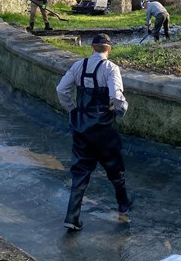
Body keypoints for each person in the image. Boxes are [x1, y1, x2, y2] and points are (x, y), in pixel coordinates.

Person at [56, 33, 132, 231]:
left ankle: (72, 217)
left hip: (81, 127)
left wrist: (72, 110)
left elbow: (61, 90)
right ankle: (123, 207)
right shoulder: (110, 68)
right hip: (104, 128)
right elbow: (116, 95)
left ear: (92, 47)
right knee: (115, 168)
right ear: (109, 49)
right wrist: (121, 110)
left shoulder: (78, 66)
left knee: (80, 171)